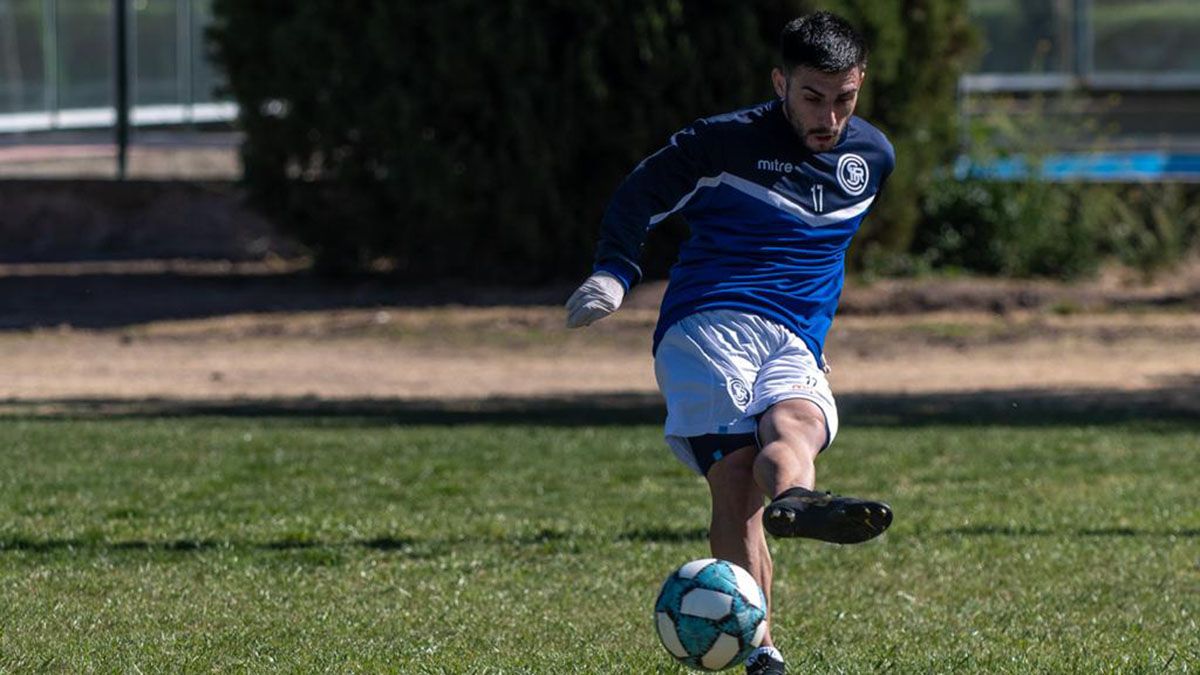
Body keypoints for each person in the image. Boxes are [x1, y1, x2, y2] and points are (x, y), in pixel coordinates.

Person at [565, 11, 895, 675]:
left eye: (844, 98)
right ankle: (762, 651)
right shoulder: (723, 143)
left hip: (796, 336)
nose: (828, 117)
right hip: (708, 323)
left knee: (796, 426)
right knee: (739, 480)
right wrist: (614, 271)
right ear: (780, 82)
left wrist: (814, 330)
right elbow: (640, 195)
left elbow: (819, 255)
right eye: (811, 97)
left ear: (859, 85)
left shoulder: (872, 159)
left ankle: (799, 502)